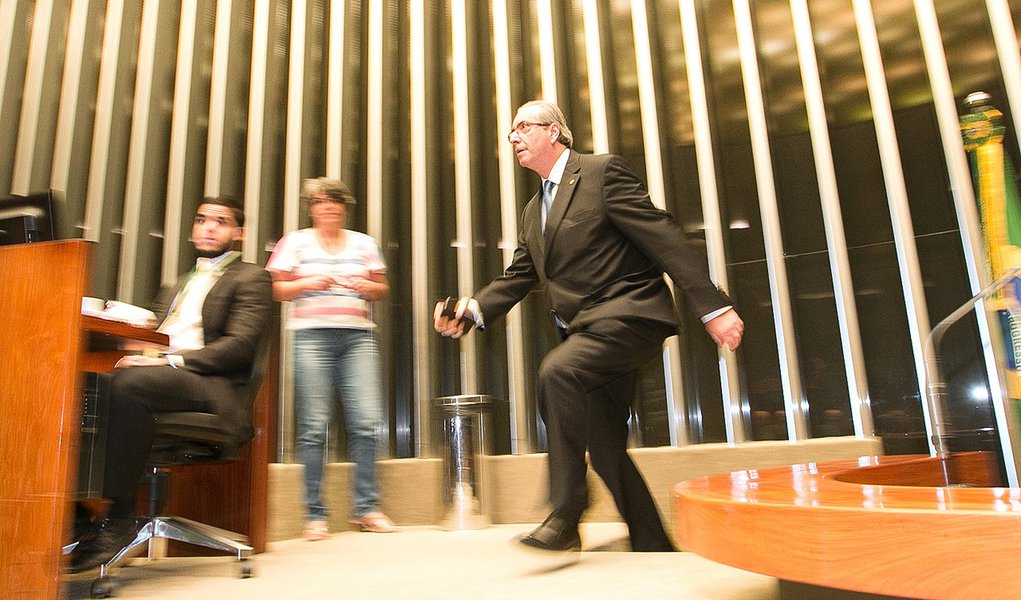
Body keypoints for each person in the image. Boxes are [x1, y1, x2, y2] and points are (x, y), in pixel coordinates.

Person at [434, 100, 744, 553]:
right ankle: (653, 542)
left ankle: (565, 513)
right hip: (587, 333)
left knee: (558, 372)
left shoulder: (601, 173)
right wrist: (471, 309)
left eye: (523, 127)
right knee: (605, 446)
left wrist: (713, 308)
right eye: (510, 133)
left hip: (629, 316)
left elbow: (663, 238)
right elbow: (520, 274)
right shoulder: (532, 210)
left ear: (555, 132)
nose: (513, 137)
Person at [70, 196, 273, 572]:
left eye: (221, 221)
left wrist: (166, 359)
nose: (209, 227)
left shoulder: (252, 277)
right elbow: (156, 336)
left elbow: (239, 348)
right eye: (202, 220)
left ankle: (119, 518)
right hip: (162, 377)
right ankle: (76, 513)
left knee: (130, 384)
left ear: (238, 233)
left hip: (211, 385)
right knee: (82, 385)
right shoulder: (176, 284)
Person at [266, 177, 396, 540]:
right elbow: (275, 288)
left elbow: (381, 287)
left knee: (367, 424)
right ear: (311, 207)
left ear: (343, 207)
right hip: (311, 337)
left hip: (358, 338)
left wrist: (370, 288)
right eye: (321, 201)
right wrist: (309, 283)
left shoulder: (364, 243)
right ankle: (315, 514)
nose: (328, 206)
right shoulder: (295, 241)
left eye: (335, 201)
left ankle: (367, 508)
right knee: (313, 426)